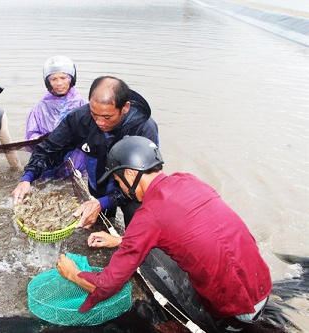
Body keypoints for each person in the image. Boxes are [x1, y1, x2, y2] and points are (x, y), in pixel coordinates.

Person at [56, 136, 273, 332]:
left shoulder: (149, 215)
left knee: (146, 265)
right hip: (262, 285)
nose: (120, 187)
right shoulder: (188, 180)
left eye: (119, 181)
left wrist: (72, 273)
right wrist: (121, 240)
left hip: (237, 313)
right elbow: (188, 232)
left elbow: (105, 286)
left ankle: (203, 324)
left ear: (131, 174)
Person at [12, 76, 159, 226]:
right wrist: (27, 178)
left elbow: (148, 177)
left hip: (132, 192)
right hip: (98, 185)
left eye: (107, 117)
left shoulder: (144, 128)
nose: (100, 122)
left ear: (125, 108)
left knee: (136, 226)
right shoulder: (79, 119)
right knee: (99, 224)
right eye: (94, 114)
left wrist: (105, 202)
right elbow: (49, 150)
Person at [25, 55, 88, 179]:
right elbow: (30, 136)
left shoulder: (82, 104)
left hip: (77, 161)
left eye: (63, 78)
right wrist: (44, 138)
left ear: (71, 78)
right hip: (49, 158)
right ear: (48, 81)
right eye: (54, 79)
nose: (59, 83)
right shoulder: (40, 106)